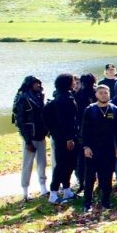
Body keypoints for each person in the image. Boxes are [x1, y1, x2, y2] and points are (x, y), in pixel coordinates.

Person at [81, 85, 117, 212]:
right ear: (96, 95)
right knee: (90, 177)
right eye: (101, 93)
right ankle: (87, 203)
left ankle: (106, 201)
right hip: (93, 149)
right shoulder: (90, 109)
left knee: (107, 176)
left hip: (108, 149)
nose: (104, 95)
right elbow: (84, 131)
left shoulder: (114, 109)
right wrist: (86, 147)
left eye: (106, 92)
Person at [43, 74, 80, 204]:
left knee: (69, 163)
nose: (74, 83)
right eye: (72, 81)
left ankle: (67, 189)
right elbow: (66, 121)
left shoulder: (62, 97)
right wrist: (69, 138)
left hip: (61, 136)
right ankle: (53, 193)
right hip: (65, 138)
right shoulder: (64, 100)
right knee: (62, 164)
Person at [13, 75, 48, 201]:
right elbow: (20, 121)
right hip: (30, 136)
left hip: (40, 135)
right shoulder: (23, 98)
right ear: (30, 84)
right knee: (27, 164)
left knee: (42, 163)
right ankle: (25, 191)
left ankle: (43, 188)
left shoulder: (39, 96)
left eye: (39, 83)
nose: (38, 85)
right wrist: (27, 141)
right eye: (35, 83)